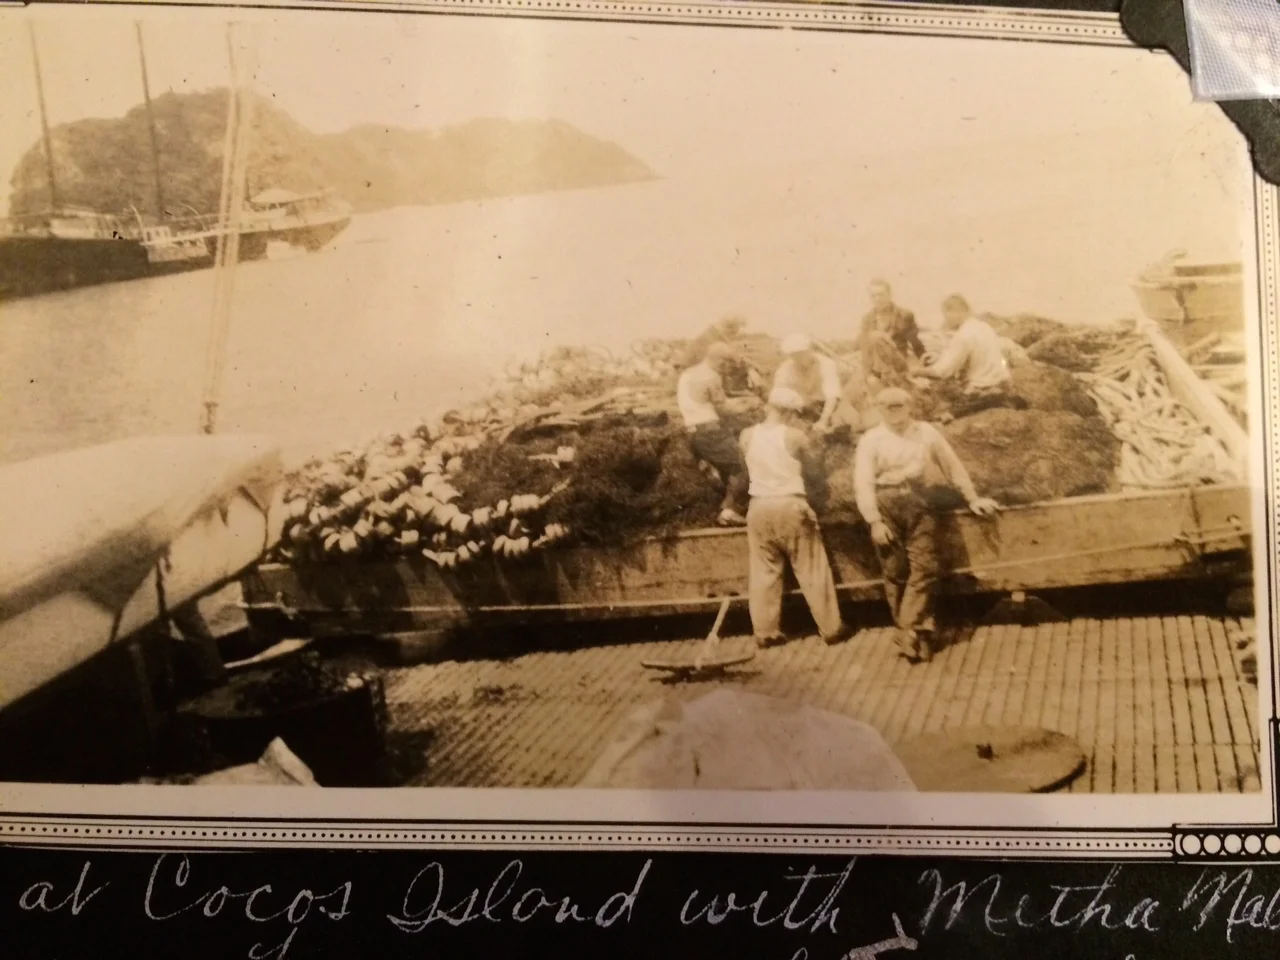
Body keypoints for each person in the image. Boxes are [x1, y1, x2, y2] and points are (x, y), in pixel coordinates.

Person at [853, 386, 1000, 663]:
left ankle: (906, 627)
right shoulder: (871, 439)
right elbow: (862, 482)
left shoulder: (926, 432)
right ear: (879, 409)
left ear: (910, 407)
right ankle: (919, 634)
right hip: (885, 503)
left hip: (919, 499)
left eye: (899, 406)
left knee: (926, 567)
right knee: (895, 571)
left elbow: (952, 465)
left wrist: (972, 497)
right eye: (887, 407)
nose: (894, 412)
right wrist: (874, 521)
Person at [739, 386, 848, 647]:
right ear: (789, 412)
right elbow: (813, 474)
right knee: (811, 568)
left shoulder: (746, 435)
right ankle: (831, 628)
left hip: (758, 507)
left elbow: (745, 472)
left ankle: (765, 633)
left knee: (764, 571)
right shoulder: (795, 436)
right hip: (790, 505)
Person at [677, 342, 750, 526]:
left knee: (727, 468)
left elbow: (702, 400)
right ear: (720, 361)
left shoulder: (688, 374)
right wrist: (749, 405)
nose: (728, 370)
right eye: (728, 364)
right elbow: (724, 409)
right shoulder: (712, 376)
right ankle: (729, 511)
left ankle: (731, 505)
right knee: (742, 467)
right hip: (710, 431)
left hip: (692, 430)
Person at [915, 295, 1023, 417]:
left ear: (957, 312)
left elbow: (942, 371)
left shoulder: (963, 335)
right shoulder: (983, 327)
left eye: (946, 315)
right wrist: (939, 357)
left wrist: (917, 372)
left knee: (938, 414)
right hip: (1003, 384)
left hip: (981, 389)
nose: (946, 320)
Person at [857, 279, 926, 392]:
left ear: (889, 294)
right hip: (875, 366)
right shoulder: (867, 319)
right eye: (873, 296)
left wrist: (925, 361)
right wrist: (868, 375)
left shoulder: (904, 315)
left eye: (880, 294)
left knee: (876, 337)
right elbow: (865, 350)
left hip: (897, 362)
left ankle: (894, 380)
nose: (877, 299)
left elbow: (915, 343)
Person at [772, 333, 842, 434]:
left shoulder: (826, 364)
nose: (798, 359)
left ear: (809, 350)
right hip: (801, 406)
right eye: (794, 356)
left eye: (801, 354)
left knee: (835, 423)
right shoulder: (786, 367)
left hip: (825, 406)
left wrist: (823, 421)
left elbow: (832, 395)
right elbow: (776, 393)